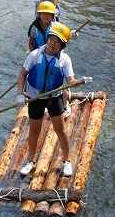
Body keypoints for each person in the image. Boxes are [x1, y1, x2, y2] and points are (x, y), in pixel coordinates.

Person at [16, 23, 77, 177]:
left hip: (54, 97)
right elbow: (23, 74)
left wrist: (78, 81)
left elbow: (70, 80)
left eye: (57, 42)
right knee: (34, 130)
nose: (52, 44)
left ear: (62, 46)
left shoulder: (65, 59)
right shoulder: (34, 55)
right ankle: (30, 161)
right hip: (35, 98)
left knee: (60, 130)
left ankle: (66, 161)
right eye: (51, 40)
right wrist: (20, 94)